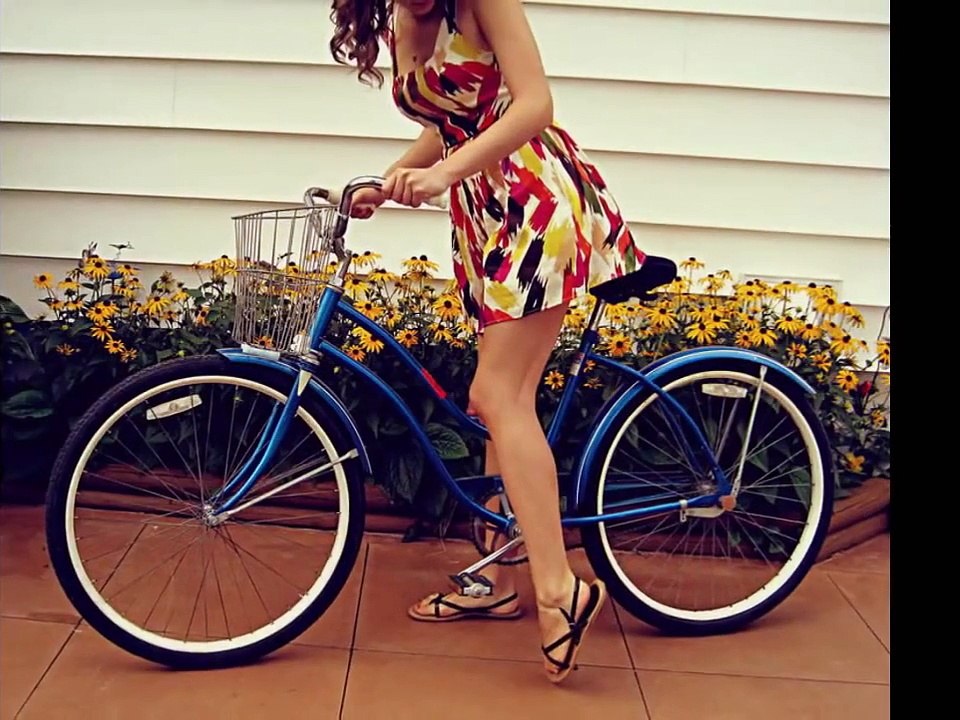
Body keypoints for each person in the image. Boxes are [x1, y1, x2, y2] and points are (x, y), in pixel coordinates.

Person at [329, 0, 646, 683]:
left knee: (500, 395)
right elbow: (453, 124)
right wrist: (390, 179)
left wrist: (444, 173)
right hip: (483, 215)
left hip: (535, 203)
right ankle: (498, 581)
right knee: (495, 403)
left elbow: (533, 105)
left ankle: (561, 589)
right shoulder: (402, 19)